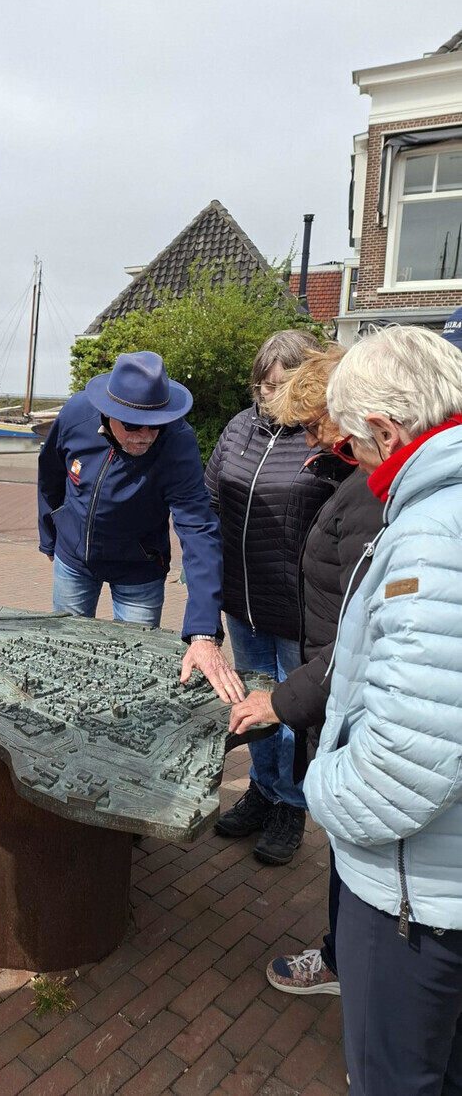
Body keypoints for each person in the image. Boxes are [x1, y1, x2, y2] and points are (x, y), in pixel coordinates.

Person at [304, 326, 462, 1094]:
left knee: (396, 1078)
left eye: (355, 445)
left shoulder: (433, 536)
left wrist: (322, 789)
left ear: (388, 430)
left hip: (417, 897)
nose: (354, 462)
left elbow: (403, 764)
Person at [227, 345, 383, 996]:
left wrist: (282, 702)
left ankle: (356, 970)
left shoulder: (374, 494)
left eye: (315, 423)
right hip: (264, 613)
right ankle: (345, 954)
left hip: (328, 672)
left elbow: (359, 638)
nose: (309, 437)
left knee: (360, 844)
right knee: (353, 852)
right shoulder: (358, 476)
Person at [38, 350, 244, 704]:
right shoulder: (75, 413)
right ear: (107, 412)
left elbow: (198, 531)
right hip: (73, 560)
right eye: (132, 425)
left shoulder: (177, 443)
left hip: (139, 570)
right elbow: (51, 472)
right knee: (66, 658)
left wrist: (203, 632)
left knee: (132, 669)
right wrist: (51, 535)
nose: (145, 436)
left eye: (156, 424)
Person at [206, 329, 340, 866]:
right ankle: (262, 790)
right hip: (244, 600)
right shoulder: (240, 427)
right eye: (262, 386)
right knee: (251, 704)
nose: (268, 397)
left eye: (281, 386)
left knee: (291, 709)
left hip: (296, 605)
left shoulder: (321, 438)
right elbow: (212, 496)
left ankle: (291, 804)